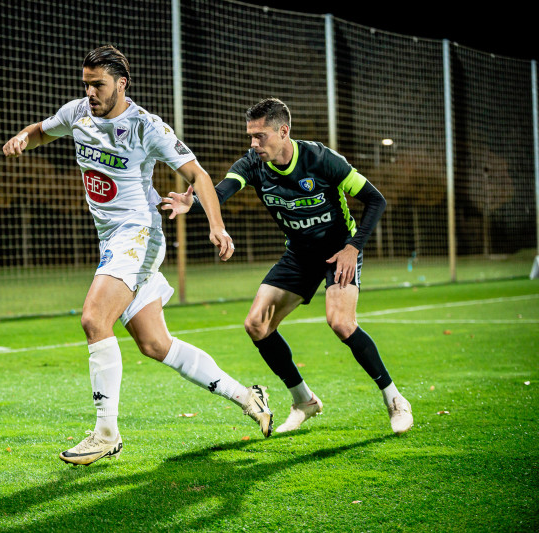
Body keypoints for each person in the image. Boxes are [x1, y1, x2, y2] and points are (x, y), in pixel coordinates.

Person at [2, 45, 273, 466]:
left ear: (121, 84)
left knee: (94, 318)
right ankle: (248, 396)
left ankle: (105, 433)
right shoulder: (77, 113)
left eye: (98, 85)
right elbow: (42, 130)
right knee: (155, 344)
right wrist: (24, 137)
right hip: (111, 240)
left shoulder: (146, 126)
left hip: (139, 235)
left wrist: (217, 225)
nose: (90, 92)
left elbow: (197, 175)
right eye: (86, 84)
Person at [162, 97, 413, 435]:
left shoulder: (320, 159)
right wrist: (193, 203)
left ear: (283, 132)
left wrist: (353, 248)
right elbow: (220, 193)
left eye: (260, 136)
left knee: (341, 322)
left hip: (339, 251)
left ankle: (395, 399)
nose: (254, 143)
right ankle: (304, 401)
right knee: (256, 325)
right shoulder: (252, 164)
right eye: (251, 136)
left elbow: (375, 200)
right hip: (299, 255)